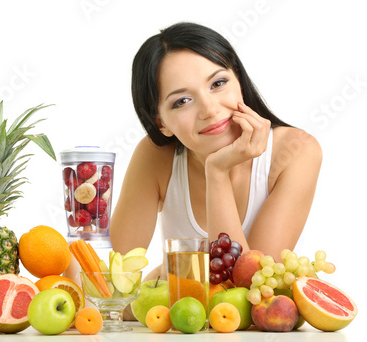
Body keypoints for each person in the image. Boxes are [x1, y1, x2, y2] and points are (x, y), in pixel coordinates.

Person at [109, 22, 322, 284]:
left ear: (239, 81)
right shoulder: (155, 156)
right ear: (161, 123)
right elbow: (116, 281)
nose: (209, 109)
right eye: (181, 101)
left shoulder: (297, 151)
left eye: (218, 83)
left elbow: (248, 287)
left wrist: (217, 172)